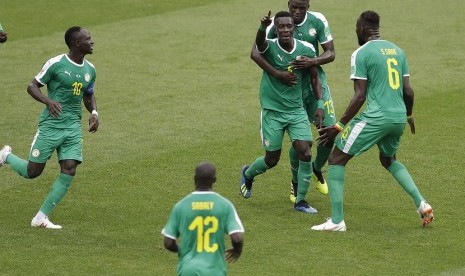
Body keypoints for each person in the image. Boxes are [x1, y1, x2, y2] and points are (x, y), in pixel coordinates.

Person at [311, 11, 434, 231]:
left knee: (337, 158)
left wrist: (338, 126)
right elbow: (408, 90)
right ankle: (421, 203)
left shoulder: (361, 53)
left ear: (361, 29)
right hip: (398, 117)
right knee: (388, 159)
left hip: (377, 116)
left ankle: (337, 221)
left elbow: (360, 95)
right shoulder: (398, 51)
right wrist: (409, 115)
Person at [0, 26, 99, 229]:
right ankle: (5, 156)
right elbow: (32, 86)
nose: (92, 42)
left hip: (72, 127)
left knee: (69, 169)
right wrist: (48, 101)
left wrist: (94, 113)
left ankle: (40, 217)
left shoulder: (90, 69)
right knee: (32, 171)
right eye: (88, 39)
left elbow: (88, 95)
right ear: (76, 43)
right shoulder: (56, 64)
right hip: (51, 126)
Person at [250, 0, 337, 203]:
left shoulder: (317, 21)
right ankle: (296, 182)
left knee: (329, 132)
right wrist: (278, 74)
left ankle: (315, 169)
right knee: (301, 140)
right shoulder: (278, 23)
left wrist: (312, 61)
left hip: (315, 84)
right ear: (288, 5)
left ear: (308, 5)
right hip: (290, 88)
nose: (297, 12)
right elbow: (258, 51)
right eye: (294, 7)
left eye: (302, 7)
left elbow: (331, 53)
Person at [162, 161, 244, 276]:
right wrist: (237, 250)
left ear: (194, 178)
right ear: (214, 180)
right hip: (215, 271)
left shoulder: (181, 206)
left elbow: (168, 243)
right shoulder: (225, 205)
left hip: (188, 270)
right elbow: (237, 239)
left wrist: (185, 251)